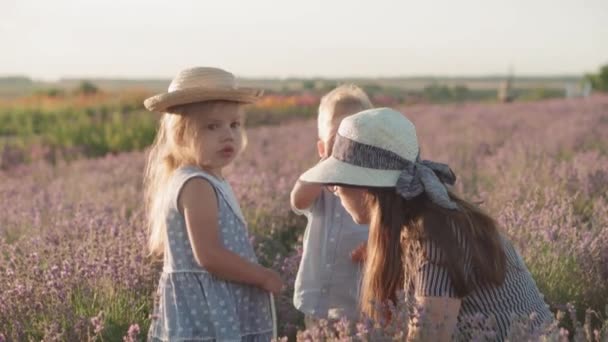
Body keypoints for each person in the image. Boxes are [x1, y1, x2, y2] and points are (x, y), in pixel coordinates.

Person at [298, 107, 552, 341]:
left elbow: (428, 337)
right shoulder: (422, 222)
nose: (335, 191)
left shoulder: (433, 237)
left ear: (367, 190)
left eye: (336, 183)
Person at [143, 67, 282, 341]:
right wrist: (262, 276)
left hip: (217, 303)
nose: (227, 135)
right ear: (181, 134)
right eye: (212, 126)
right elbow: (209, 255)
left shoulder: (209, 179)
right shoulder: (196, 185)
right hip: (206, 312)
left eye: (234, 124)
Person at [291, 85, 372, 326]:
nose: (344, 148)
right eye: (336, 140)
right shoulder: (316, 183)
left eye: (353, 139)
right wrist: (326, 168)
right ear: (321, 148)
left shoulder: (375, 185)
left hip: (358, 304)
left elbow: (393, 224)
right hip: (317, 303)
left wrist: (376, 245)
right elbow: (298, 200)